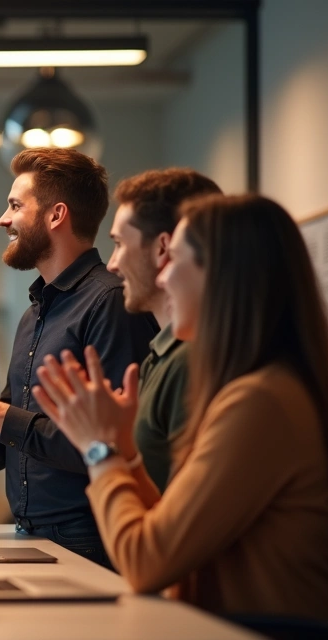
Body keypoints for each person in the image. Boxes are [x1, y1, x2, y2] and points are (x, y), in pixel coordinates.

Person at [32, 194, 328, 627]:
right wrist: (124, 453)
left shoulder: (262, 402)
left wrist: (99, 450)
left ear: (222, 277)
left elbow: (145, 562)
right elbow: (168, 524)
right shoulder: (257, 389)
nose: (162, 279)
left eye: (176, 260)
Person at [0, 148, 156, 567]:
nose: (3, 219)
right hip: (33, 535)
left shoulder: (109, 303)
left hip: (87, 539)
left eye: (16, 206)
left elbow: (101, 444)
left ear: (56, 216)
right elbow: (4, 453)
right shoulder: (34, 313)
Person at [103, 169, 220, 491]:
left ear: (162, 249)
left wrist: (100, 448)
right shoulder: (163, 353)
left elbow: (179, 520)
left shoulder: (191, 360)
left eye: (118, 243)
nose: (112, 264)